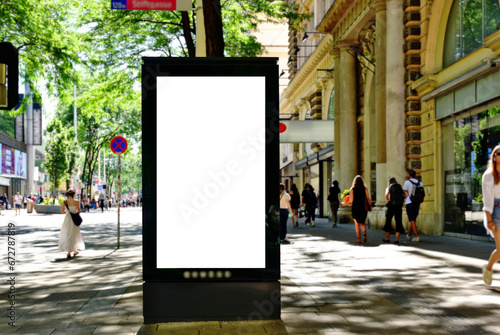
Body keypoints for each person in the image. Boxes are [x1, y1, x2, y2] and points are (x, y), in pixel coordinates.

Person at [58, 189, 85, 258]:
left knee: (67, 234)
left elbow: (62, 212)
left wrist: (67, 212)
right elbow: (79, 211)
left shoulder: (64, 202)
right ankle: (75, 250)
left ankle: (69, 252)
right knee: (74, 234)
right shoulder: (76, 202)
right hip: (74, 220)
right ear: (74, 195)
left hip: (67, 219)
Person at [349, 175, 372, 244]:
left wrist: (347, 202)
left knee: (357, 224)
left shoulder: (352, 189)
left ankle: (359, 239)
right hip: (363, 207)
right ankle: (364, 234)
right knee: (363, 222)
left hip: (355, 207)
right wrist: (370, 205)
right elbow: (368, 198)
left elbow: (351, 200)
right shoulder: (365, 188)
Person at [382, 177, 405, 244]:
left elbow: (386, 195)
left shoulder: (389, 187)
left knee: (388, 221)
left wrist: (388, 200)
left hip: (391, 206)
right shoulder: (399, 186)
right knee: (398, 221)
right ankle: (396, 239)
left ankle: (387, 238)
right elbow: (405, 194)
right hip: (398, 206)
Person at [403, 169, 422, 242]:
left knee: (412, 219)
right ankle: (409, 235)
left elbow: (405, 193)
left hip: (409, 202)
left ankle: (416, 236)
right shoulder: (420, 183)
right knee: (413, 220)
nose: (406, 174)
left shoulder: (407, 182)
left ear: (409, 175)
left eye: (407, 173)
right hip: (417, 203)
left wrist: (404, 196)